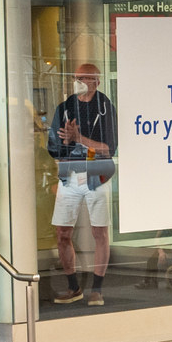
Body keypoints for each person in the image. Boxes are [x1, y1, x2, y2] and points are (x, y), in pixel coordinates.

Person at [47, 62, 118, 305]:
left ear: (97, 82)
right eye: (77, 77)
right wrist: (64, 141)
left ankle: (97, 288)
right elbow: (53, 147)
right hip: (70, 173)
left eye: (85, 77)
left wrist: (79, 138)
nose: (79, 81)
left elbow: (109, 148)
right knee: (62, 232)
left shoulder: (105, 107)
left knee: (99, 231)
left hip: (97, 173)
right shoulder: (65, 107)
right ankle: (73, 287)